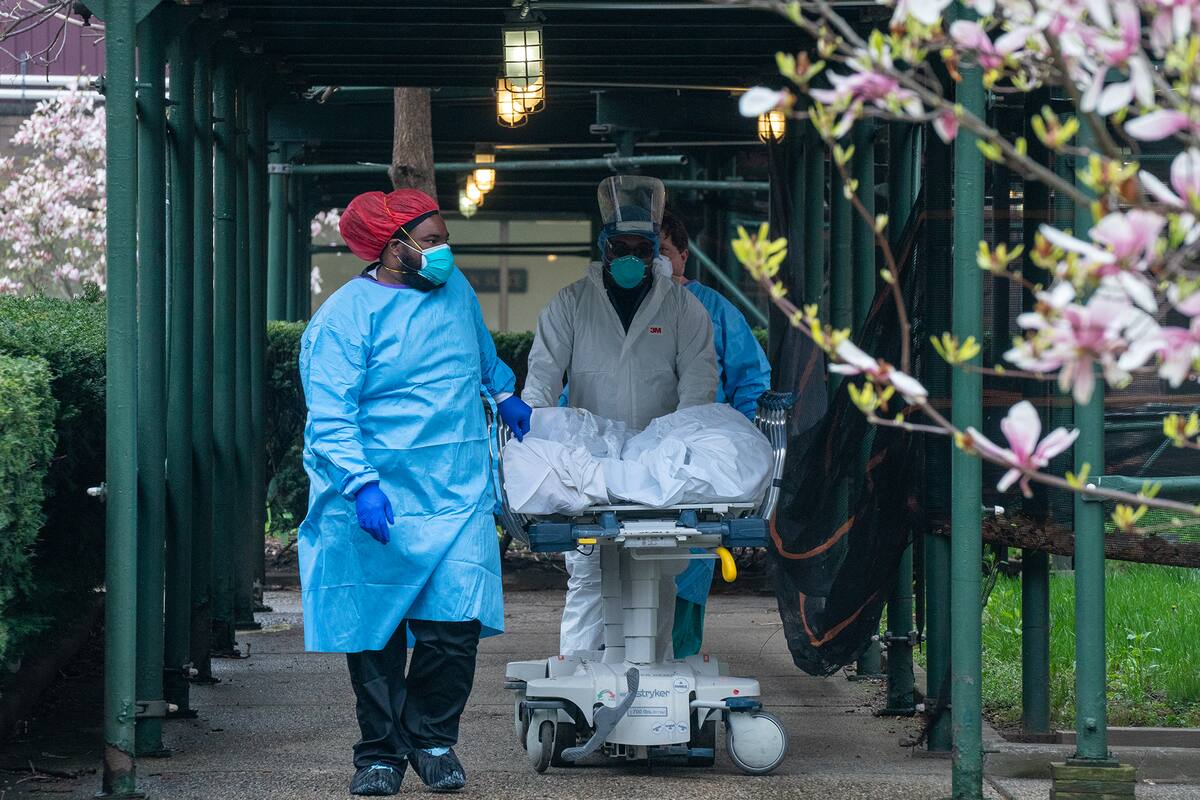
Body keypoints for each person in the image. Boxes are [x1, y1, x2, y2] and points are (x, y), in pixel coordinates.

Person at [297, 188, 532, 796]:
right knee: (376, 630)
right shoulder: (343, 320)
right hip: (379, 496)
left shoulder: (455, 292)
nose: (443, 251)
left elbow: (480, 356)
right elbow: (330, 414)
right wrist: (359, 482)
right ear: (390, 247)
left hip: (456, 493)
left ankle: (431, 739)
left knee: (455, 626)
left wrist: (503, 392)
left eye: (443, 237)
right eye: (430, 242)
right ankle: (378, 754)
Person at [522, 175, 718, 659]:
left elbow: (698, 392)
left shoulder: (684, 308)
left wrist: (677, 455)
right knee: (589, 578)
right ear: (603, 248)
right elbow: (541, 383)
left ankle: (656, 691)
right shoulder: (570, 304)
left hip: (661, 467)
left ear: (655, 249)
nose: (630, 257)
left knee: (658, 578)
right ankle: (577, 699)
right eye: (620, 247)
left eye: (641, 247)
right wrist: (531, 446)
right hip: (590, 468)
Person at [658, 210, 772, 658]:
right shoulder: (614, 309)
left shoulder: (715, 310)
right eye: (644, 253)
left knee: (691, 555)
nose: (653, 263)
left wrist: (739, 440)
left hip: (698, 455)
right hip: (631, 457)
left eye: (662, 252)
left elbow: (750, 380)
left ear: (683, 257)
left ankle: (681, 654)